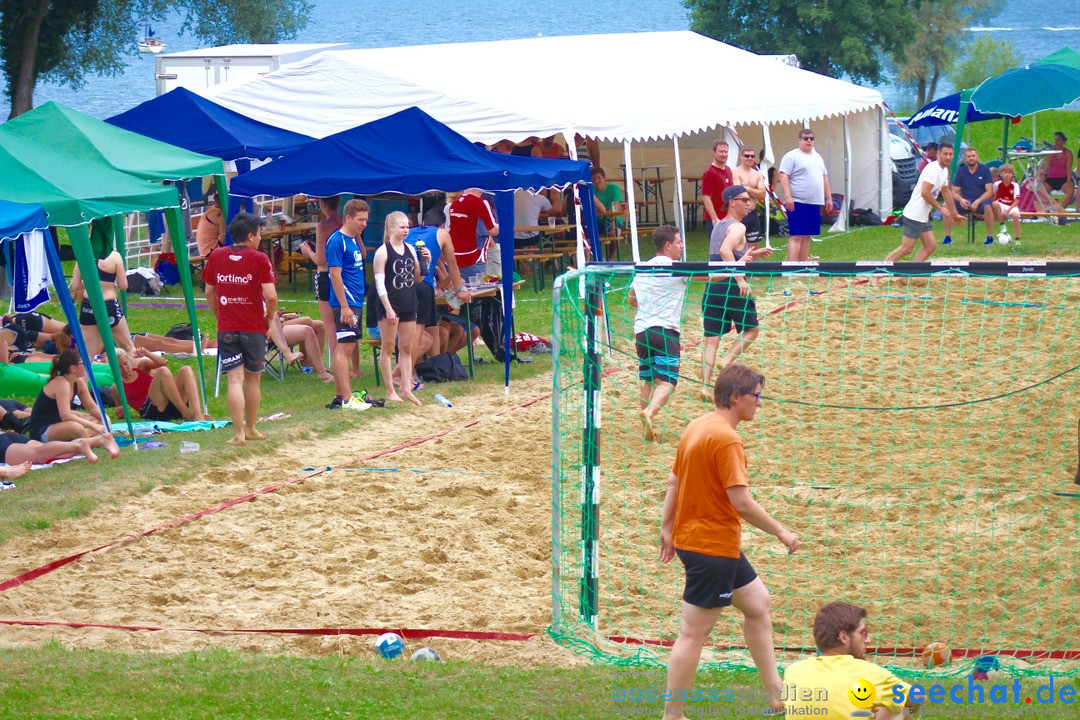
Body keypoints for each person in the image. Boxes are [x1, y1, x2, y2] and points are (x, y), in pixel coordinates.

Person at [660, 363, 798, 720]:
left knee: (757, 603)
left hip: (702, 541)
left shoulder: (697, 425)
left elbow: (674, 482)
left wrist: (666, 528)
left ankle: (776, 695)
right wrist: (781, 531)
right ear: (735, 396)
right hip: (711, 547)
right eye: (755, 396)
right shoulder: (726, 438)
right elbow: (742, 503)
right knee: (693, 634)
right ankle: (672, 716)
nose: (759, 403)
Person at [202, 211, 276, 445]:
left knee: (234, 380)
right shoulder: (259, 258)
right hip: (253, 327)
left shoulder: (217, 256)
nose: (261, 238)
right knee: (253, 380)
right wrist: (269, 320)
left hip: (228, 327)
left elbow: (208, 292)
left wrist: (219, 316)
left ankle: (237, 434)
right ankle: (251, 428)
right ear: (251, 236)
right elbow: (271, 297)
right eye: (260, 234)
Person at [783, 602, 917, 719]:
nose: (868, 640)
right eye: (863, 633)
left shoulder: (793, 671)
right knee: (898, 708)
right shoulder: (871, 674)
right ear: (844, 637)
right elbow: (918, 697)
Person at [700, 186, 773, 401]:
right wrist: (740, 279)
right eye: (744, 199)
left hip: (713, 286)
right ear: (732, 202)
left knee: (711, 340)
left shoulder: (718, 225)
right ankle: (728, 360)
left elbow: (729, 253)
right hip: (732, 286)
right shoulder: (739, 227)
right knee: (751, 330)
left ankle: (704, 387)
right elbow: (725, 251)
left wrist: (751, 254)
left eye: (749, 199)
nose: (749, 203)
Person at [628, 225, 687, 442]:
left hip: (641, 331)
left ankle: (647, 424)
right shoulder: (676, 267)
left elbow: (632, 299)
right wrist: (738, 264)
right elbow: (710, 278)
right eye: (679, 242)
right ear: (668, 245)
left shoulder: (642, 267)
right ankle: (649, 413)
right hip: (665, 330)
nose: (682, 246)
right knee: (668, 380)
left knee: (649, 380)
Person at [28, 349, 120, 458]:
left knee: (98, 420)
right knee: (77, 427)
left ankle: (83, 440)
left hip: (60, 425)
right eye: (83, 363)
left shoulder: (78, 382)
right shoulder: (62, 383)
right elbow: (66, 415)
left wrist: (105, 419)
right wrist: (93, 426)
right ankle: (97, 439)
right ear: (73, 368)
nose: (86, 364)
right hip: (43, 430)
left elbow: (92, 407)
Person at [405, 208, 470, 361]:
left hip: (401, 284)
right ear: (442, 226)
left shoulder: (410, 232)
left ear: (423, 222)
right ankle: (414, 368)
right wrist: (459, 290)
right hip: (423, 282)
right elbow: (453, 265)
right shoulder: (441, 234)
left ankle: (430, 364)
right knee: (423, 329)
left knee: (426, 326)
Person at [372, 211, 423, 407]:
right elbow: (379, 283)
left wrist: (423, 262)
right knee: (388, 348)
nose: (406, 230)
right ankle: (390, 390)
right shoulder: (383, 252)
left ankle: (406, 388)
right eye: (402, 227)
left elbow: (417, 278)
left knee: (407, 348)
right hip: (390, 304)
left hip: (409, 302)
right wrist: (388, 308)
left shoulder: (410, 248)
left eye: (407, 227)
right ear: (391, 228)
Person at [324, 199, 370, 411]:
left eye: (366, 220)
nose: (364, 224)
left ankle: (342, 394)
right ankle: (346, 397)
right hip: (346, 302)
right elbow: (334, 274)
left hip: (355, 300)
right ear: (348, 218)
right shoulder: (337, 241)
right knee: (344, 348)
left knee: (348, 346)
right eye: (360, 219)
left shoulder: (353, 240)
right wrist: (344, 306)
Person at [882, 142, 958, 264]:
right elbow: (925, 193)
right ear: (939, 154)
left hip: (922, 216)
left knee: (930, 246)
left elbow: (946, 192)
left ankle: (908, 275)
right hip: (914, 214)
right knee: (906, 249)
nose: (948, 157)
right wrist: (940, 208)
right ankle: (877, 272)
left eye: (950, 154)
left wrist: (955, 213)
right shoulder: (933, 170)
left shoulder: (943, 171)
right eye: (945, 154)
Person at [69, 248, 137, 355]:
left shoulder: (82, 254)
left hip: (88, 305)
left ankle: (85, 371)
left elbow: (76, 285)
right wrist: (107, 283)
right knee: (128, 347)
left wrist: (92, 283)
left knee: (88, 354)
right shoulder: (115, 256)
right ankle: (137, 370)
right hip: (108, 305)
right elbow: (123, 286)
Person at [112, 348, 209, 422]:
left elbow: (163, 363)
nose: (125, 369)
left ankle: (198, 415)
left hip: (172, 404)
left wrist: (147, 353)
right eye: (120, 367)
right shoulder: (117, 387)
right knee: (162, 372)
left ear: (129, 360)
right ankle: (187, 414)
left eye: (125, 364)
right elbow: (121, 411)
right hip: (151, 411)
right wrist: (121, 413)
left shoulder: (141, 367)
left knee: (186, 369)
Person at [777, 129, 831, 261]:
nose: (809, 141)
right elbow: (783, 175)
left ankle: (803, 266)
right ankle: (791, 267)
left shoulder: (817, 157)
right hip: (798, 201)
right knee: (797, 235)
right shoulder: (791, 156)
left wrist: (828, 198)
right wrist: (788, 196)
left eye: (811, 138)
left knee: (807, 236)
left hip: (814, 202)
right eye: (806, 138)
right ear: (799, 140)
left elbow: (824, 178)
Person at [943, 147, 995, 246]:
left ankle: (989, 237)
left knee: (988, 207)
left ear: (977, 157)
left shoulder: (985, 170)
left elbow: (989, 192)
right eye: (968, 156)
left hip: (981, 201)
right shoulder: (961, 172)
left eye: (973, 156)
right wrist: (961, 199)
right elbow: (953, 192)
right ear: (965, 158)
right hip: (965, 201)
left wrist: (978, 201)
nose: (971, 158)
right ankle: (947, 237)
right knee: (946, 205)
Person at [447, 188, 499, 276]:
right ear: (480, 190)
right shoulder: (481, 202)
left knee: (462, 288)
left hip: (454, 254)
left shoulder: (454, 203)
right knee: (479, 287)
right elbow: (493, 231)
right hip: (474, 255)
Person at [731, 146, 768, 245]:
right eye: (747, 156)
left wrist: (747, 188)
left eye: (752, 156)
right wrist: (755, 190)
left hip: (752, 213)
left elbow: (763, 194)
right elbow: (738, 192)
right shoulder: (735, 172)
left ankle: (751, 261)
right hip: (738, 214)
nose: (750, 158)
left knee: (753, 246)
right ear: (741, 157)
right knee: (738, 245)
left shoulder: (757, 174)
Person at [702, 139, 734, 236]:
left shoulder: (728, 170)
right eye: (721, 152)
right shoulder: (710, 172)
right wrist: (714, 218)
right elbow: (706, 196)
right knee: (718, 249)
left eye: (725, 152)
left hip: (729, 217)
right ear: (714, 153)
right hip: (717, 218)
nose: (724, 154)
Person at [591, 167, 626, 243]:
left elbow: (616, 208)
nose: (596, 181)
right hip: (598, 220)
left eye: (599, 178)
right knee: (591, 237)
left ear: (604, 178)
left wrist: (613, 225)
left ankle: (610, 255)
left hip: (613, 219)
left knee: (614, 236)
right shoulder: (591, 190)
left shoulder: (614, 188)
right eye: (594, 179)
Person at [1041, 132, 1074, 209]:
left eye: (1058, 140)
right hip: (1051, 179)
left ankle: (1060, 210)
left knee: (1071, 192)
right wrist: (1042, 180)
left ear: (1063, 141)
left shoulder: (1068, 153)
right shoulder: (1050, 152)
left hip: (1063, 179)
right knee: (1039, 190)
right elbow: (1046, 168)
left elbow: (1069, 168)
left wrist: (1069, 182)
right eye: (1055, 140)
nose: (1056, 142)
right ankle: (1055, 206)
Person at [993, 163, 1023, 243]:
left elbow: (1016, 201)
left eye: (1009, 173)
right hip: (1001, 204)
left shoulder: (1015, 185)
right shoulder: (996, 184)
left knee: (1016, 216)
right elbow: (994, 196)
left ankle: (1017, 239)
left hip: (1011, 206)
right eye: (1005, 172)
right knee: (995, 204)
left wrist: (1007, 211)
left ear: (1012, 175)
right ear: (1001, 174)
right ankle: (1002, 224)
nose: (1007, 175)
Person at [195, 185, 226, 258]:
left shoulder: (212, 209)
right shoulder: (219, 214)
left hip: (204, 249)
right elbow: (224, 240)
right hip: (210, 251)